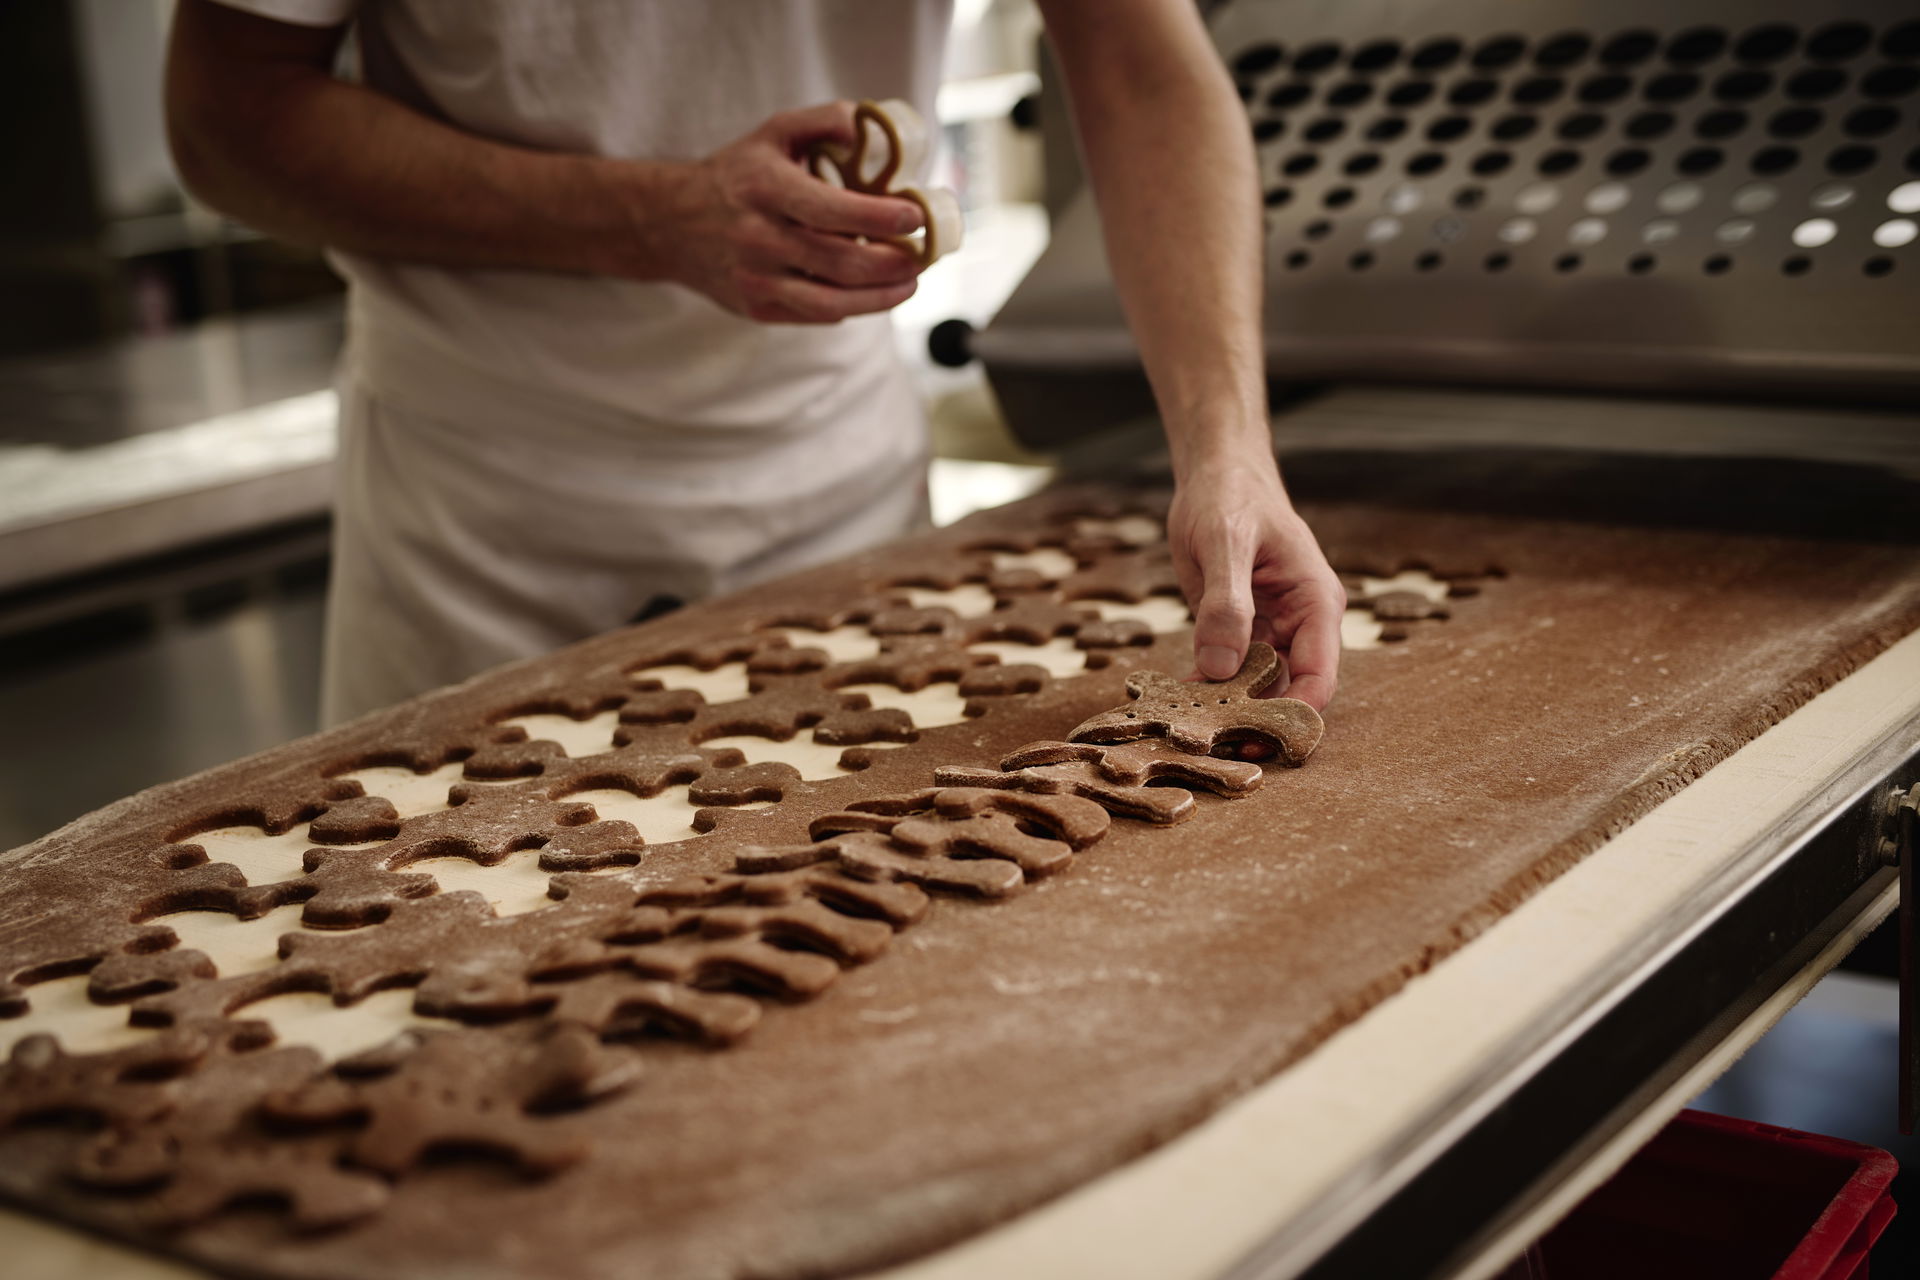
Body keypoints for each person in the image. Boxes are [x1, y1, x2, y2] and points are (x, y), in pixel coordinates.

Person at [165, 0, 1345, 727]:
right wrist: (648, 218)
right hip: (483, 504)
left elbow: (1140, 64)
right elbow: (226, 114)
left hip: (839, 483)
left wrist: (1226, 450)